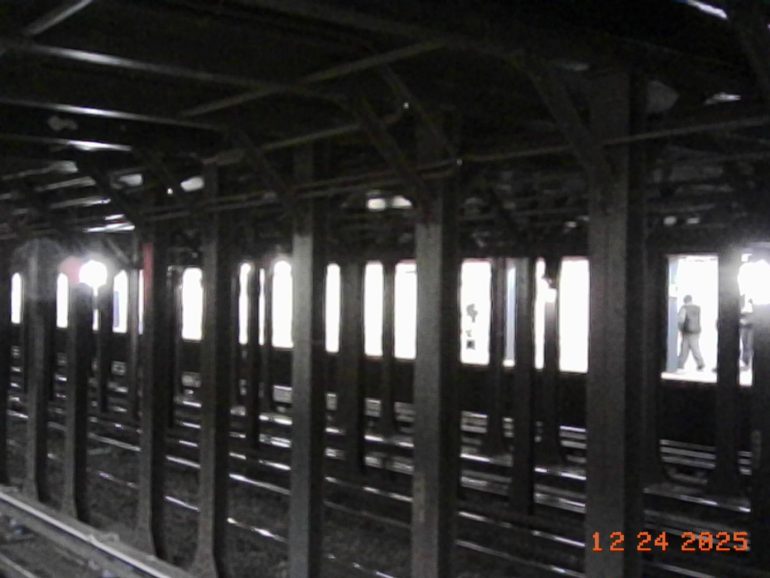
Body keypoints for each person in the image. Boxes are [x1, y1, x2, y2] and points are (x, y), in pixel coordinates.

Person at [678, 294, 705, 371]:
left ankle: (700, 364)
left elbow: (681, 320)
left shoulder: (684, 308)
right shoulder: (697, 308)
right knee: (688, 347)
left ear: (685, 301)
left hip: (687, 331)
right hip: (696, 331)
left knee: (687, 348)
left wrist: (680, 329)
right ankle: (680, 363)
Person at [740, 295, 754, 371]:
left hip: (750, 327)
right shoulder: (742, 304)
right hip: (744, 326)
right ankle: (746, 363)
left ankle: (747, 364)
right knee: (746, 345)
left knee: (748, 345)